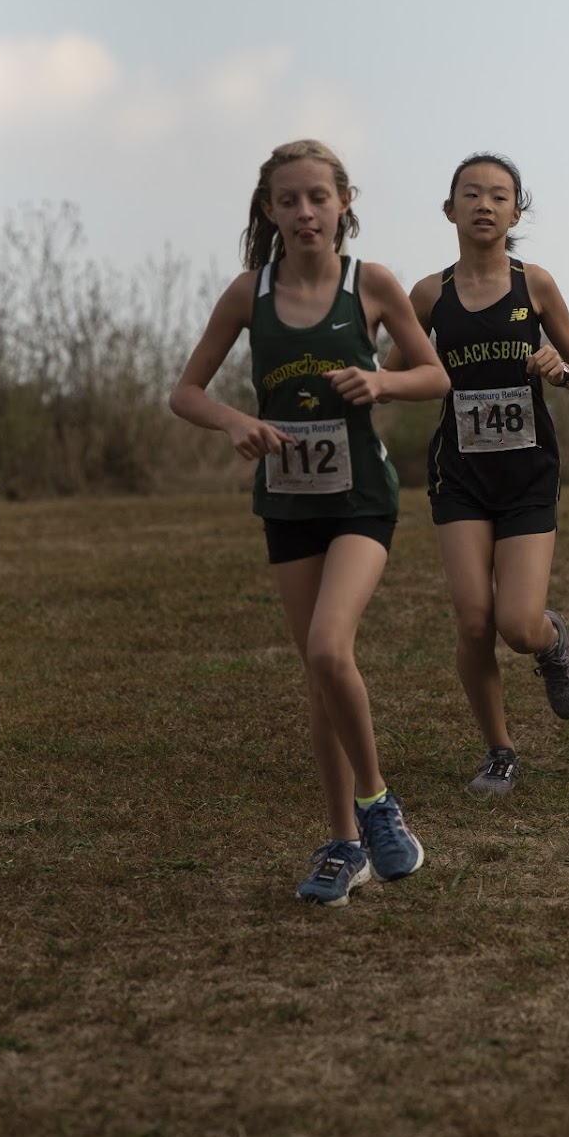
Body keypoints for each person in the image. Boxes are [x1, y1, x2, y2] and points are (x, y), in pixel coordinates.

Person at [170, 139, 450, 906]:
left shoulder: (372, 284)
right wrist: (234, 421)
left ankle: (376, 804)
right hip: (288, 504)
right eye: (288, 200)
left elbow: (434, 375)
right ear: (269, 210)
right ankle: (344, 845)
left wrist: (381, 382)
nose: (304, 212)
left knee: (330, 646)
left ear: (343, 203)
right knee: (321, 674)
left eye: (318, 198)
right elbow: (185, 392)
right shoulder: (248, 293)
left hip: (361, 501)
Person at [383, 152, 569, 796]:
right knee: (474, 621)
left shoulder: (537, 285)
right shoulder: (429, 295)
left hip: (528, 473)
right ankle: (499, 750)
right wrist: (369, 384)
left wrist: (562, 368)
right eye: (471, 194)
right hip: (460, 475)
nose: (485, 204)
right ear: (449, 209)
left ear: (516, 213)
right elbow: (394, 376)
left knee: (517, 624)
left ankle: (551, 642)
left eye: (500, 195)